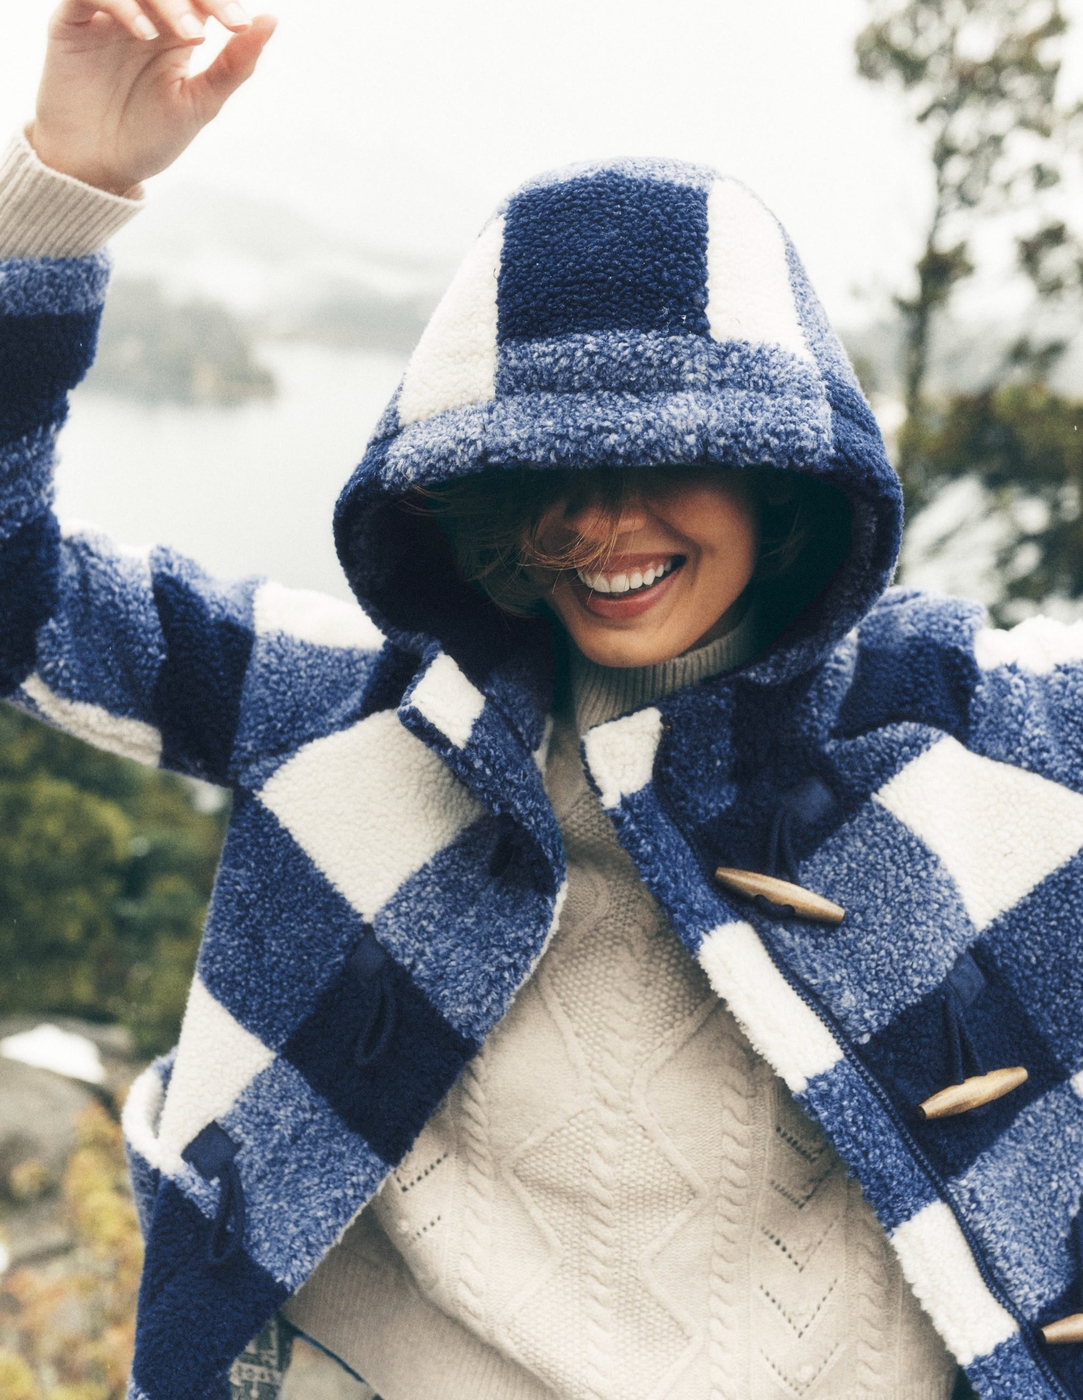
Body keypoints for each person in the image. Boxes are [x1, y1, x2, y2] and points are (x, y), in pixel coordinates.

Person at [3, 4, 1083, 1399]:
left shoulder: (953, 712)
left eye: (667, 454)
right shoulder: (368, 711)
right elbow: (24, 598)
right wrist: (66, 186)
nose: (596, 525)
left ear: (785, 476)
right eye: (540, 472)